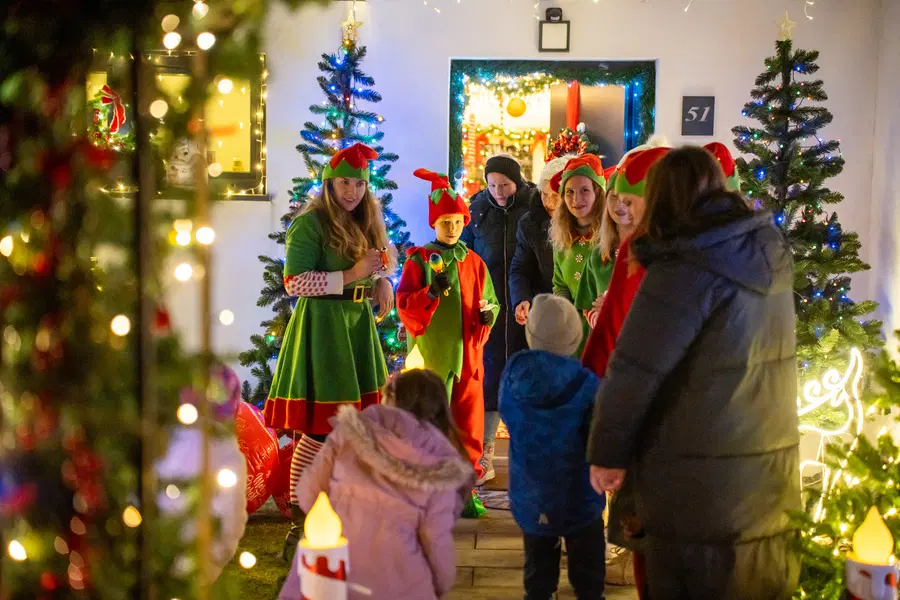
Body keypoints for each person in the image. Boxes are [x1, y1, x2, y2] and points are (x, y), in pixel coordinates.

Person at [587, 146, 800, 600]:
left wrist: (606, 452)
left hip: (695, 470)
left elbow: (635, 369)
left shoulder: (682, 265)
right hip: (766, 467)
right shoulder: (766, 252)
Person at [264, 142, 395, 560]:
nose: (352, 192)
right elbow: (294, 283)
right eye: (344, 183)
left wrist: (380, 281)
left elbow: (377, 265)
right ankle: (300, 523)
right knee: (321, 431)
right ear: (329, 183)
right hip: (324, 331)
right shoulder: (311, 224)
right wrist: (353, 273)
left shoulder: (365, 221)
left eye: (359, 184)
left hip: (356, 329)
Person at [278, 369, 475, 600]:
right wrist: (440, 584)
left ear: (390, 398)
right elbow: (435, 539)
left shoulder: (349, 432)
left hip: (331, 569)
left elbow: (309, 493)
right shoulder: (441, 464)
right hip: (399, 581)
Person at [580, 145, 671, 595]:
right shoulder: (641, 250)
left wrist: (586, 395)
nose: (619, 207)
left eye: (630, 199)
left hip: (649, 406)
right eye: (616, 197)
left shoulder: (643, 252)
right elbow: (609, 329)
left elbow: (612, 335)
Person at [396, 168, 499, 515]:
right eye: (445, 223)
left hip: (467, 356)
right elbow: (405, 305)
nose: (452, 228)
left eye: (456, 222)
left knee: (468, 423)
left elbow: (490, 301)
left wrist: (489, 316)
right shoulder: (420, 260)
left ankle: (464, 491)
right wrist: (430, 294)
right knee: (429, 421)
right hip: (433, 356)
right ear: (434, 224)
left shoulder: (474, 262)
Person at [499, 294, 606, 600]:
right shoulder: (587, 383)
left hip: (532, 493)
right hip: (580, 495)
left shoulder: (514, 372)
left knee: (538, 571)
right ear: (576, 336)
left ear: (531, 334)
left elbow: (507, 412)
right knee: (588, 571)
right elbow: (597, 436)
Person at [460, 154, 540, 486]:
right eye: (492, 185)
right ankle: (485, 454)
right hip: (489, 309)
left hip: (525, 307)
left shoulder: (534, 206)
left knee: (526, 380)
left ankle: (528, 457)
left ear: (517, 181)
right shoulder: (477, 210)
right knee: (489, 380)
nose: (499, 192)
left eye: (505, 185)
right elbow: (464, 253)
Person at [548, 154, 612, 355]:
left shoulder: (613, 236)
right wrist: (563, 310)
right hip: (572, 337)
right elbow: (560, 284)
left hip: (605, 333)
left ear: (598, 193)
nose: (576, 200)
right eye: (569, 192)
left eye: (584, 190)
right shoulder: (562, 239)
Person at [510, 155, 573, 327]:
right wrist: (522, 298)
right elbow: (521, 267)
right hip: (546, 309)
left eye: (555, 195)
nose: (549, 202)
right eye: (544, 194)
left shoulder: (585, 222)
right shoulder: (530, 223)